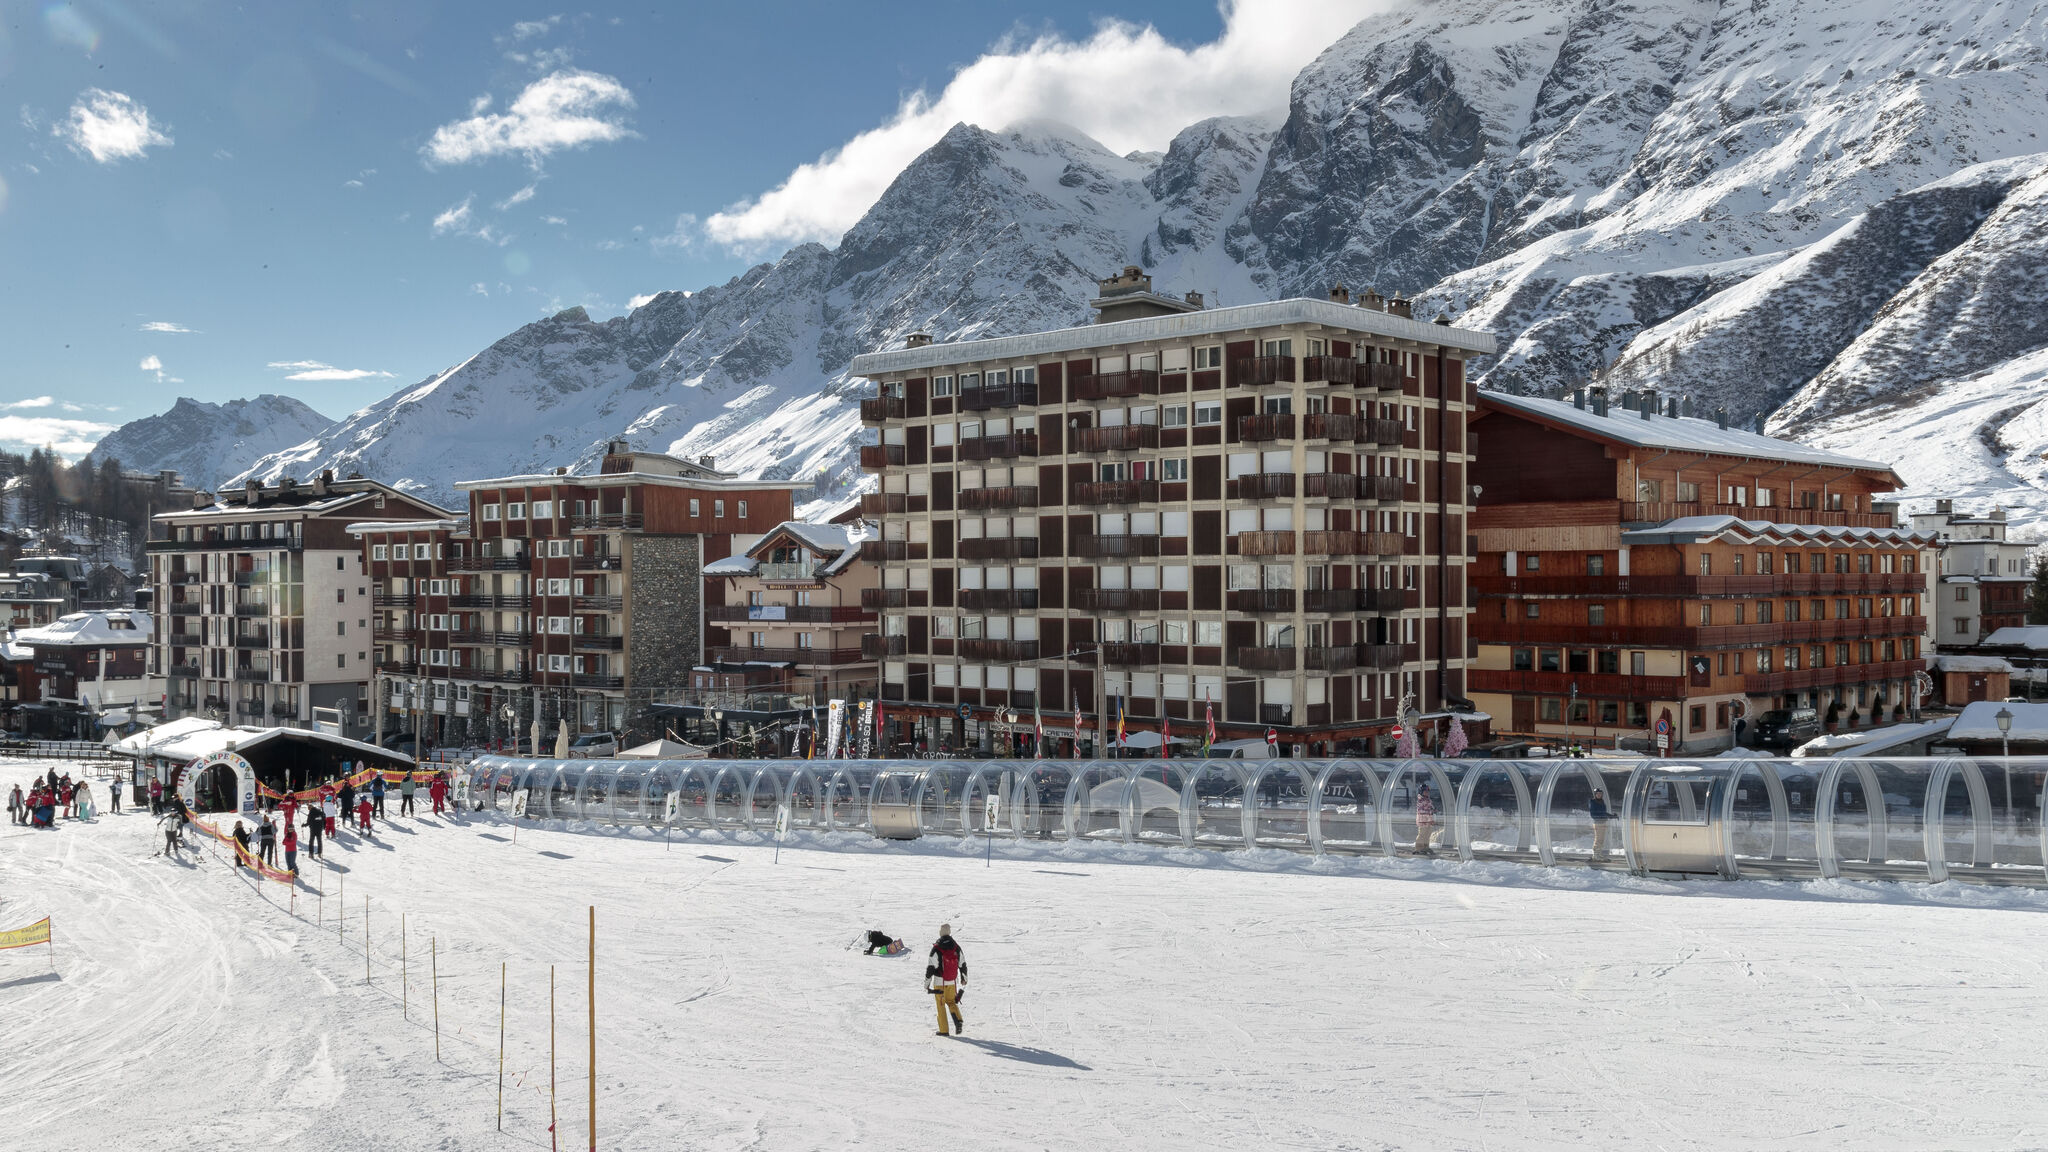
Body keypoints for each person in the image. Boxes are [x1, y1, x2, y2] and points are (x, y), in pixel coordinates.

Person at [926, 924, 967, 1036]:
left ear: (941, 933)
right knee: (951, 1001)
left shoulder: (937, 947)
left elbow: (931, 967)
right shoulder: (956, 946)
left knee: (941, 1005)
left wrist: (927, 983)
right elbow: (962, 963)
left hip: (940, 982)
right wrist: (964, 978)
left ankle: (944, 1030)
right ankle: (958, 1019)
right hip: (952, 981)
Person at [1413, 783, 1439, 856]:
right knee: (1422, 834)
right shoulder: (1420, 800)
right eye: (1425, 791)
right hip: (1422, 820)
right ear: (1421, 792)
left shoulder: (1428, 800)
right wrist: (1430, 811)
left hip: (1429, 820)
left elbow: (1430, 808)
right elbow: (1421, 811)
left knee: (1428, 834)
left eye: (1428, 791)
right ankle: (1419, 848)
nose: (1427, 792)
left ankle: (1425, 847)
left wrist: (1433, 810)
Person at [1589, 789, 1613, 858]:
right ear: (1595, 794)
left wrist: (1610, 816)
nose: (1599, 795)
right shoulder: (1593, 802)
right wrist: (1603, 816)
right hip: (1598, 823)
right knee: (1598, 839)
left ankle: (1598, 853)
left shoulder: (1601, 801)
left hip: (1603, 822)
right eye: (1597, 793)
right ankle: (1596, 854)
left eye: (1600, 793)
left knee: (1601, 839)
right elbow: (1593, 814)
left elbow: (1603, 812)